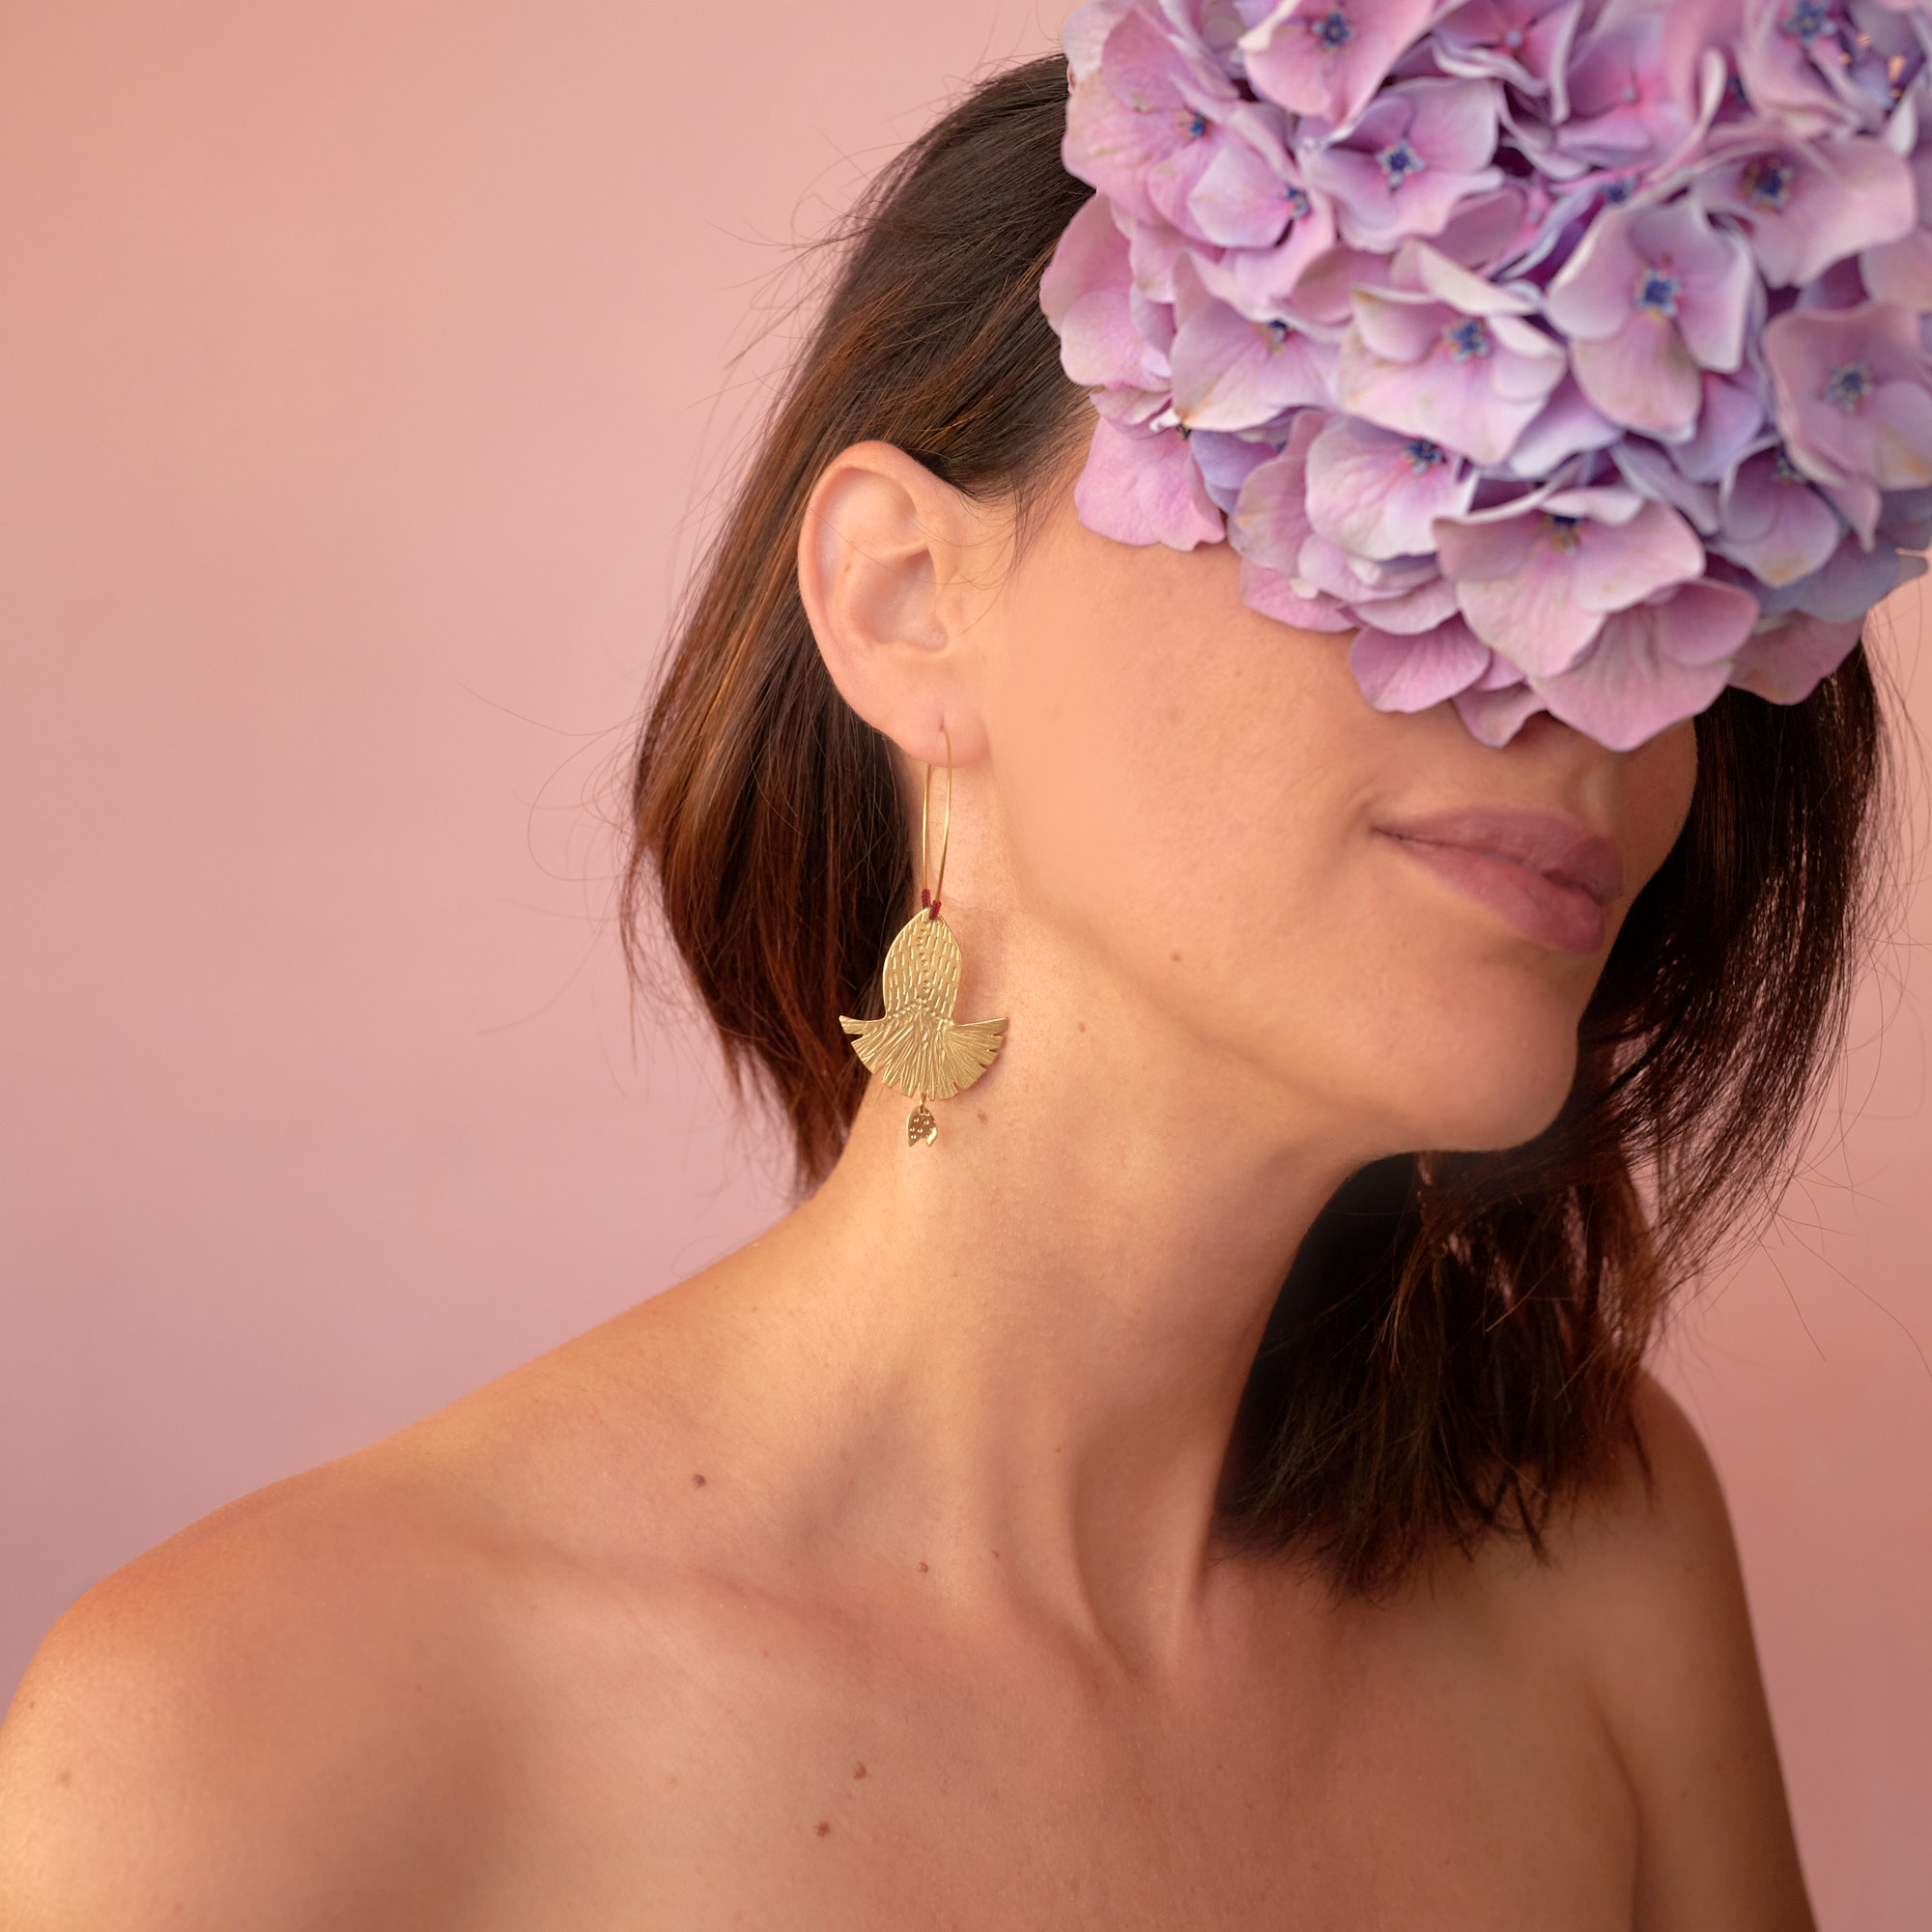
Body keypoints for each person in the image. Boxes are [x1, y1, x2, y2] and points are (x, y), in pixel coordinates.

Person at [0, 30, 1907, 1928]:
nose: (1590, 683)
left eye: (1674, 565)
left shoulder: (1589, 1559)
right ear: (909, 603)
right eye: (1403, 486)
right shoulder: (245, 1746)